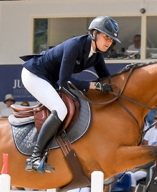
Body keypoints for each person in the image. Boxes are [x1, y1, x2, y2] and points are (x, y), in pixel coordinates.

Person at [21, 16, 120, 173]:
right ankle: (34, 157)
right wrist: (93, 86)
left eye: (112, 39)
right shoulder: (75, 45)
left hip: (49, 79)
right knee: (61, 109)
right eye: (106, 36)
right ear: (94, 33)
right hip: (35, 74)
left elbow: (106, 79)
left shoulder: (96, 55)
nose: (109, 42)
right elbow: (64, 82)